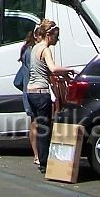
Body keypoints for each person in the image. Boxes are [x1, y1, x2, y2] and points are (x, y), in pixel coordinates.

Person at [26, 19, 75, 174]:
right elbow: (53, 68)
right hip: (41, 94)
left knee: (38, 125)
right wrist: (69, 70)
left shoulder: (34, 48)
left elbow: (43, 70)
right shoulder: (46, 49)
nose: (57, 40)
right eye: (56, 36)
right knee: (45, 130)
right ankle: (44, 164)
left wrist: (62, 75)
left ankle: (40, 159)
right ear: (49, 35)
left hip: (30, 92)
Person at [18, 26, 42, 167]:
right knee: (36, 123)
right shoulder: (33, 51)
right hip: (34, 90)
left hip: (28, 90)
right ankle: (38, 155)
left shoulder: (27, 49)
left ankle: (37, 155)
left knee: (34, 122)